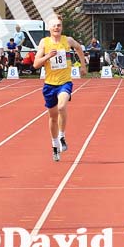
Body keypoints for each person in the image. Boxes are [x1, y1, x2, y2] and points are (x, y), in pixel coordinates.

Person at [33, 14, 87, 162]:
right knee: (52, 117)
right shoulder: (44, 43)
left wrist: (83, 65)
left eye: (59, 25)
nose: (57, 27)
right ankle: (55, 143)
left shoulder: (67, 40)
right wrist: (47, 57)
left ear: (61, 27)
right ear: (49, 28)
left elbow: (79, 48)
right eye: (54, 25)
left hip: (65, 82)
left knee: (62, 106)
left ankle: (62, 135)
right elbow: (36, 64)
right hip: (50, 84)